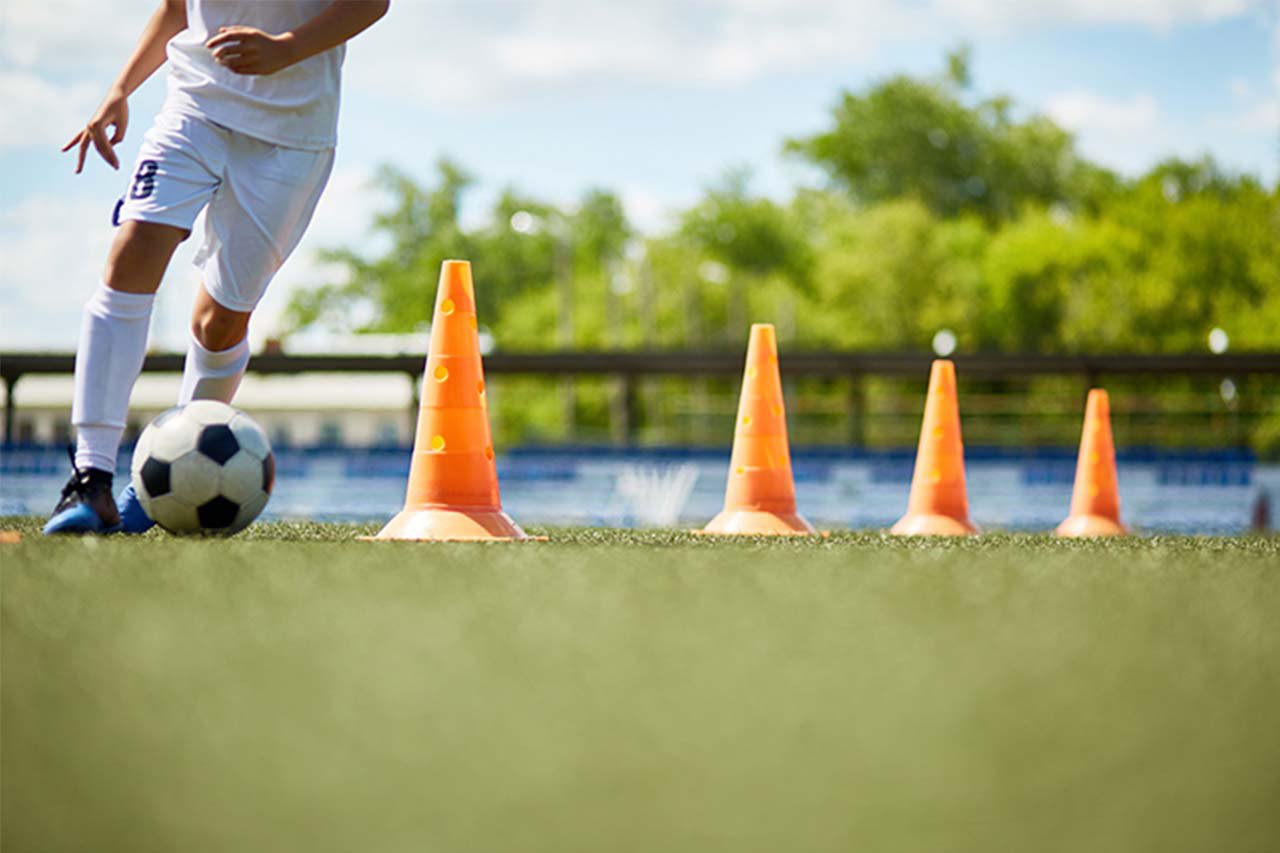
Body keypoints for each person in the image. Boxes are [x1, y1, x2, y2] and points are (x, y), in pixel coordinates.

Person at [46, 0, 389, 535]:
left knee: (218, 323)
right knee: (132, 252)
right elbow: (177, 8)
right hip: (194, 109)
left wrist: (287, 49)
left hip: (292, 138)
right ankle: (91, 478)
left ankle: (160, 484)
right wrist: (119, 89)